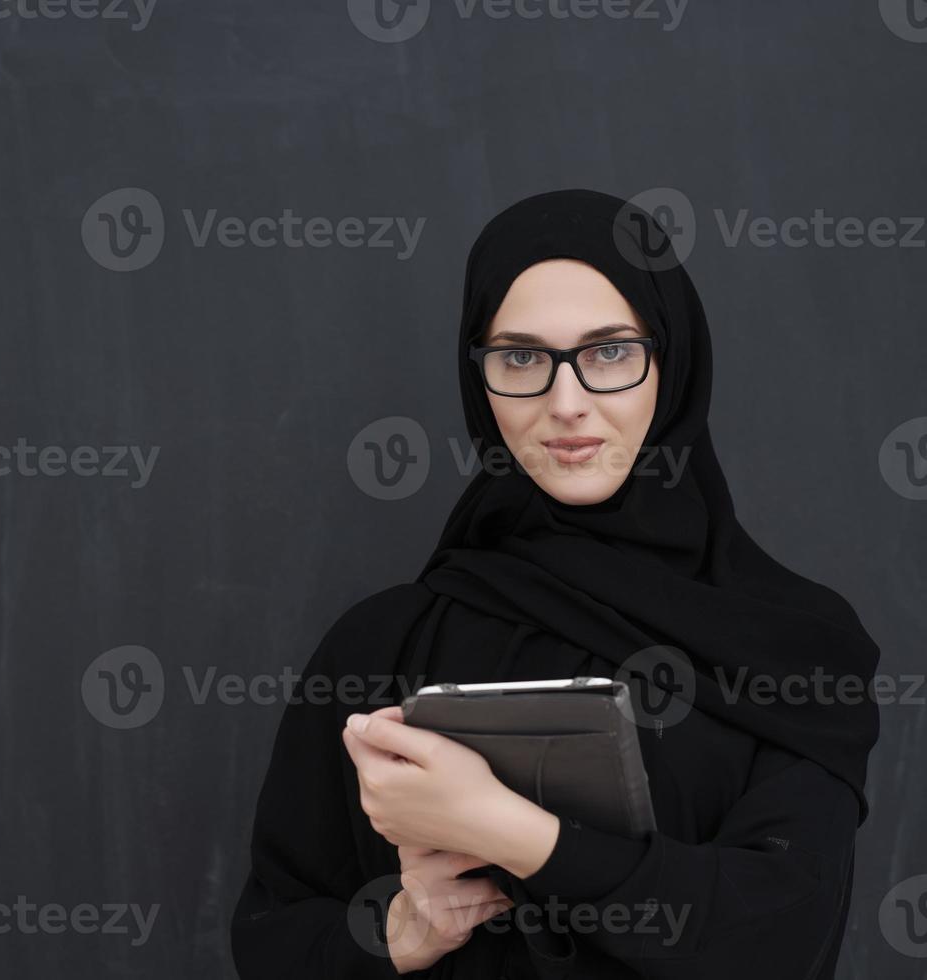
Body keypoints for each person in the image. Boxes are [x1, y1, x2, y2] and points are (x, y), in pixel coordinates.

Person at [229, 188, 881, 979]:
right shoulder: (382, 642)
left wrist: (506, 830)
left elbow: (777, 940)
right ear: (480, 378)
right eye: (521, 357)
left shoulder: (791, 640)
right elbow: (274, 941)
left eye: (609, 352)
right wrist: (403, 931)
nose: (565, 403)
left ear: (670, 366)